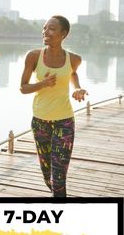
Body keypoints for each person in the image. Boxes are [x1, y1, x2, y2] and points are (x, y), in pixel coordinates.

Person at [20, 15, 88, 197]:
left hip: (64, 122)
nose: (45, 32)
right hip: (40, 122)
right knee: (47, 175)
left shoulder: (74, 59)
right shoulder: (33, 56)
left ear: (63, 34)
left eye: (51, 29)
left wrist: (78, 88)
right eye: (44, 28)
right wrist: (43, 84)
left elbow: (72, 74)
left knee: (58, 177)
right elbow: (23, 87)